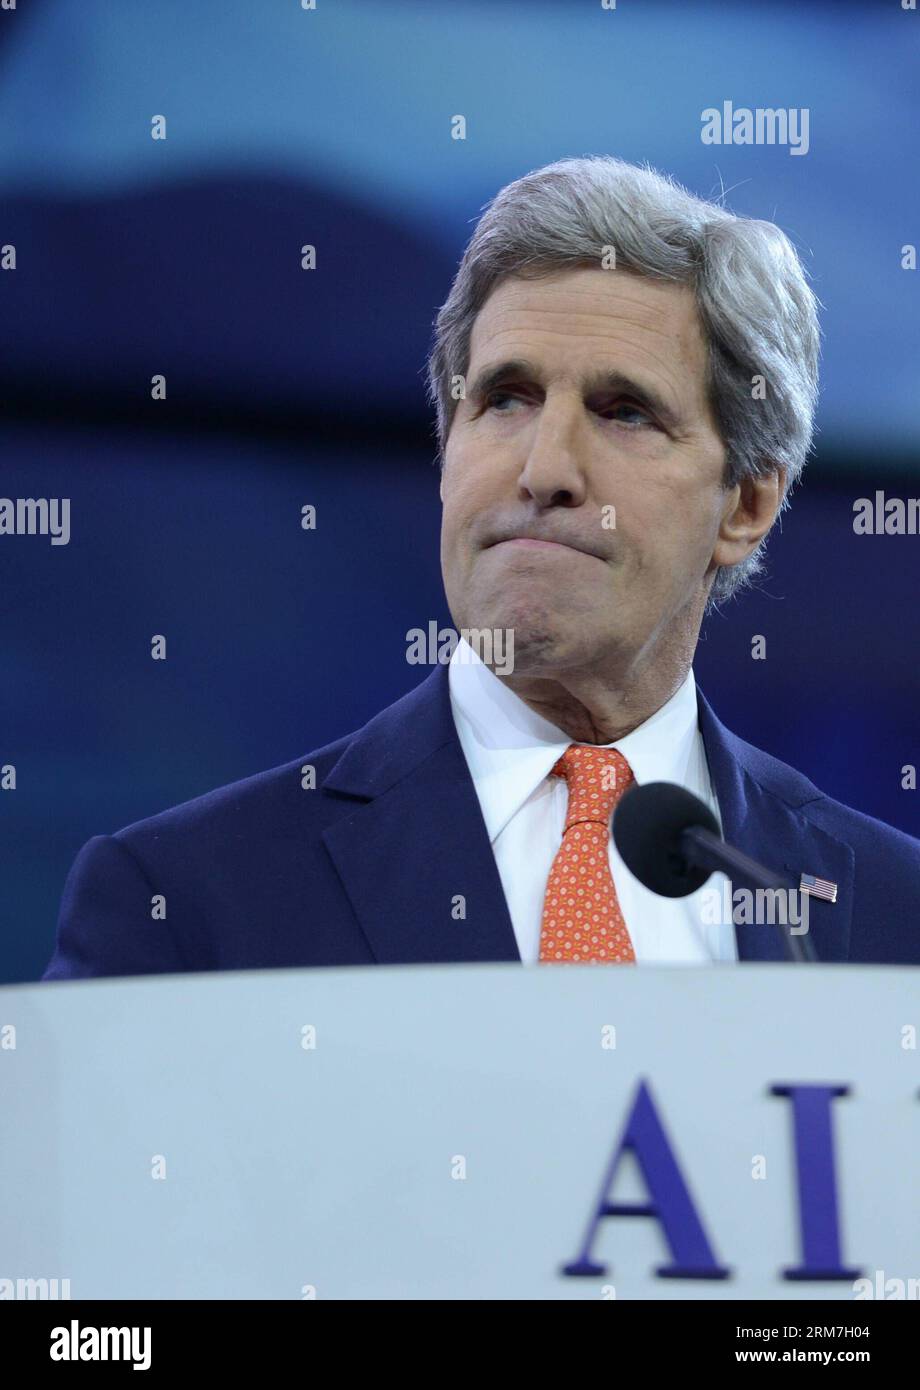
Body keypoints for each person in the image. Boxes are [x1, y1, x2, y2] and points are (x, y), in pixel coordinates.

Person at [43, 156, 920, 980]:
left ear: (746, 505)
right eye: (504, 399)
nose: (544, 470)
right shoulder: (183, 903)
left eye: (623, 412)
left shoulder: (890, 913)